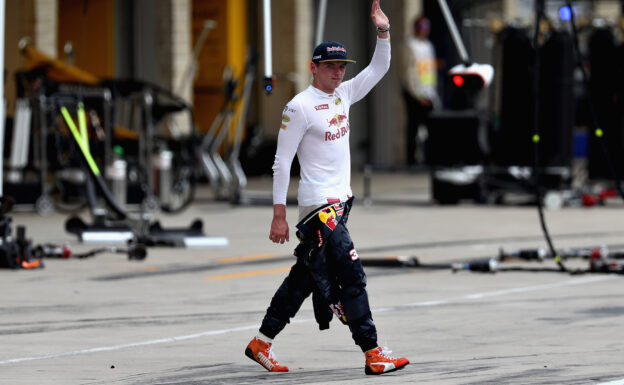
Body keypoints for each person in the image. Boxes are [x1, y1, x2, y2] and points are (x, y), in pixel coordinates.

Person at [244, 0, 409, 376]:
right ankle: (373, 352)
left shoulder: (343, 94)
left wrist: (383, 31)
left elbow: (379, 68)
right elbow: (281, 163)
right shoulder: (299, 107)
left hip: (341, 203)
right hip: (320, 208)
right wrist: (279, 216)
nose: (337, 72)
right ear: (312, 68)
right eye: (330, 66)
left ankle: (261, 342)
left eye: (341, 67)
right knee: (351, 275)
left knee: (303, 278)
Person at [401, 16, 439, 165]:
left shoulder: (429, 45)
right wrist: (416, 94)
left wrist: (432, 92)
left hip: (429, 92)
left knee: (431, 126)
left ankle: (429, 158)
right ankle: (411, 160)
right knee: (414, 126)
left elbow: (430, 70)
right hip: (415, 93)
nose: (425, 31)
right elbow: (407, 72)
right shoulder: (409, 45)